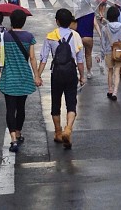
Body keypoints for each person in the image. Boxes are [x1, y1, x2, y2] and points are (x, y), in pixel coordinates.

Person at [0, 9, 41, 153]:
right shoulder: (29, 37)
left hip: (9, 78)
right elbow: (32, 58)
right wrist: (37, 75)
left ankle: (13, 139)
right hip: (24, 77)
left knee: (10, 108)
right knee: (21, 108)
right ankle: (19, 132)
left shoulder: (3, 36)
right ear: (24, 21)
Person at [37, 9, 85, 150]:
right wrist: (82, 76)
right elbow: (80, 60)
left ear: (57, 21)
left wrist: (38, 75)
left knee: (55, 102)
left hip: (56, 73)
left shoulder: (51, 36)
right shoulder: (76, 36)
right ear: (70, 21)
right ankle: (68, 129)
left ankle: (58, 132)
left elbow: (44, 58)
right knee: (71, 102)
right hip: (71, 72)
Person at [99, 6, 121, 101]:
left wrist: (102, 54)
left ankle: (110, 89)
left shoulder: (105, 28)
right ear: (117, 16)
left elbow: (102, 42)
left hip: (108, 51)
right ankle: (115, 92)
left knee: (110, 71)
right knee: (117, 72)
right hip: (119, 51)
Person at [75, 10, 96, 79]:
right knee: (88, 55)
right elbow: (95, 24)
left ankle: (80, 73)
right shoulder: (92, 14)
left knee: (79, 56)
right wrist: (100, 34)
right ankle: (89, 72)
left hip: (79, 37)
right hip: (89, 37)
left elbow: (75, 26)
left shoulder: (78, 13)